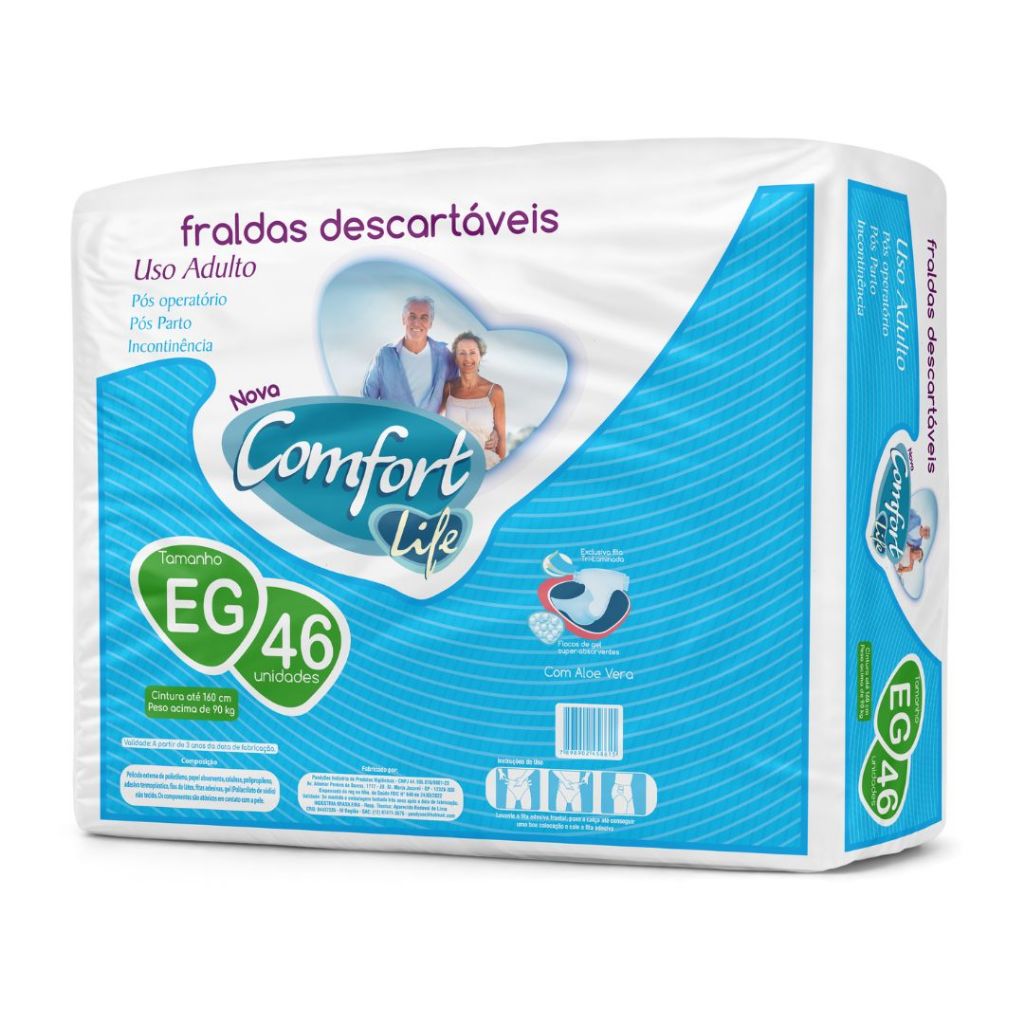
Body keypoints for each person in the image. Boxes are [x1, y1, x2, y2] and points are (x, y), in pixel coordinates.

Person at [361, 296, 456, 411]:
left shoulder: (444, 355)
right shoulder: (384, 355)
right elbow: (368, 399)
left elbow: (457, 391)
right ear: (403, 319)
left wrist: (437, 413)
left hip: (427, 423)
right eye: (412, 316)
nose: (417, 323)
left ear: (430, 323)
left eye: (424, 318)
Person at [439, 331, 506, 469]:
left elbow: (502, 440)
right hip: (452, 465)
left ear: (480, 356)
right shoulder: (448, 389)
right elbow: (434, 422)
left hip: (485, 465)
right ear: (456, 358)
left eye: (472, 352)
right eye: (462, 353)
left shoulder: (495, 391)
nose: (467, 358)